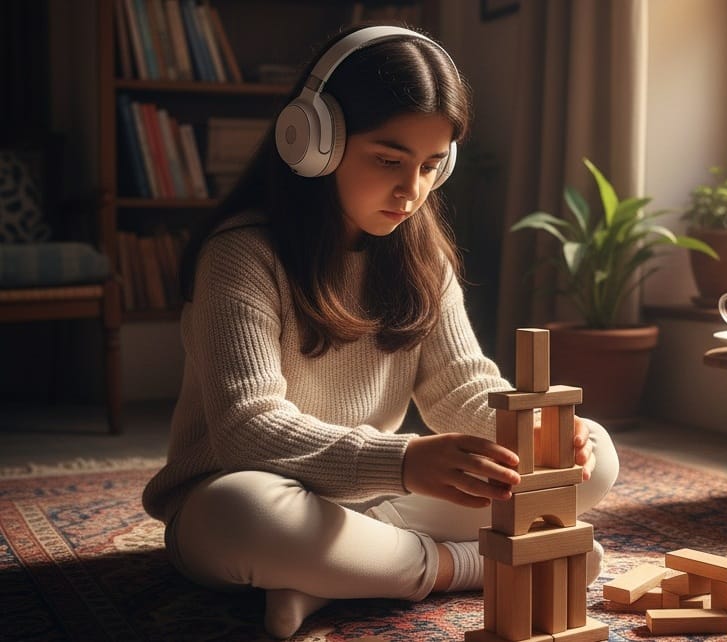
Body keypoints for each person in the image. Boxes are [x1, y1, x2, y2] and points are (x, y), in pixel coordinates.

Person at [141, 23, 619, 640]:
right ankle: (467, 566)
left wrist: (535, 433)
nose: (411, 190)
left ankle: (332, 578)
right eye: (389, 160)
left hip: (367, 503)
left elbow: (461, 388)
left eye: (429, 165)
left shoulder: (422, 258)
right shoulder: (241, 254)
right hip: (239, 496)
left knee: (594, 457)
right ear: (313, 141)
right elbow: (247, 429)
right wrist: (403, 461)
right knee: (247, 514)